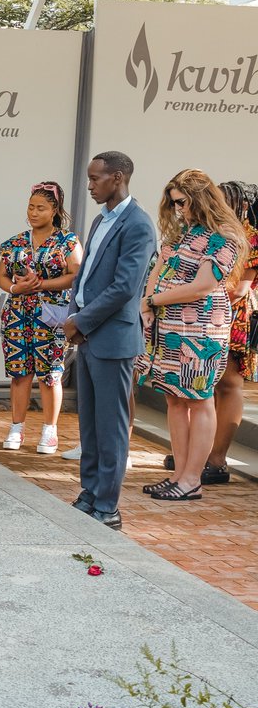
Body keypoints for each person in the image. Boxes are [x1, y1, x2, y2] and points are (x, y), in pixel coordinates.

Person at [136, 169, 246, 502]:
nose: (179, 209)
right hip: (168, 327)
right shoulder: (181, 232)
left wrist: (151, 300)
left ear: (200, 197)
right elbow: (158, 270)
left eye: (182, 202)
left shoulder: (226, 236)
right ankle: (179, 475)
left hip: (201, 329)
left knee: (199, 399)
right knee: (173, 397)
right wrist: (147, 306)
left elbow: (202, 286)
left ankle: (192, 479)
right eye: (174, 203)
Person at [62, 151, 156, 530]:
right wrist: (74, 316)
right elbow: (84, 278)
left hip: (113, 338)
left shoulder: (139, 225)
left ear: (117, 178)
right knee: (89, 425)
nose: (89, 185)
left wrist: (80, 320)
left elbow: (124, 289)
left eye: (95, 179)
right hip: (87, 335)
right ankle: (89, 493)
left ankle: (108, 505)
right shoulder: (102, 220)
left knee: (112, 426)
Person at [0, 181, 83, 454]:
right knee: (19, 373)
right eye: (31, 207)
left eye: (41, 208)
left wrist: (42, 285)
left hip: (52, 316)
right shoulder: (14, 243)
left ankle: (49, 431)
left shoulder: (67, 242)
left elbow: (76, 274)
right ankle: (16, 428)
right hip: (18, 314)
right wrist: (14, 288)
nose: (33, 213)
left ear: (54, 210)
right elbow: (1, 275)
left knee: (50, 374)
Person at [199, 181, 258, 483]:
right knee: (210, 384)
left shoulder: (251, 235)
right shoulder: (216, 231)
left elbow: (240, 289)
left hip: (237, 315)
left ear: (242, 204)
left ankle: (218, 458)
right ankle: (202, 451)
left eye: (223, 199)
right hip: (213, 311)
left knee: (229, 383)